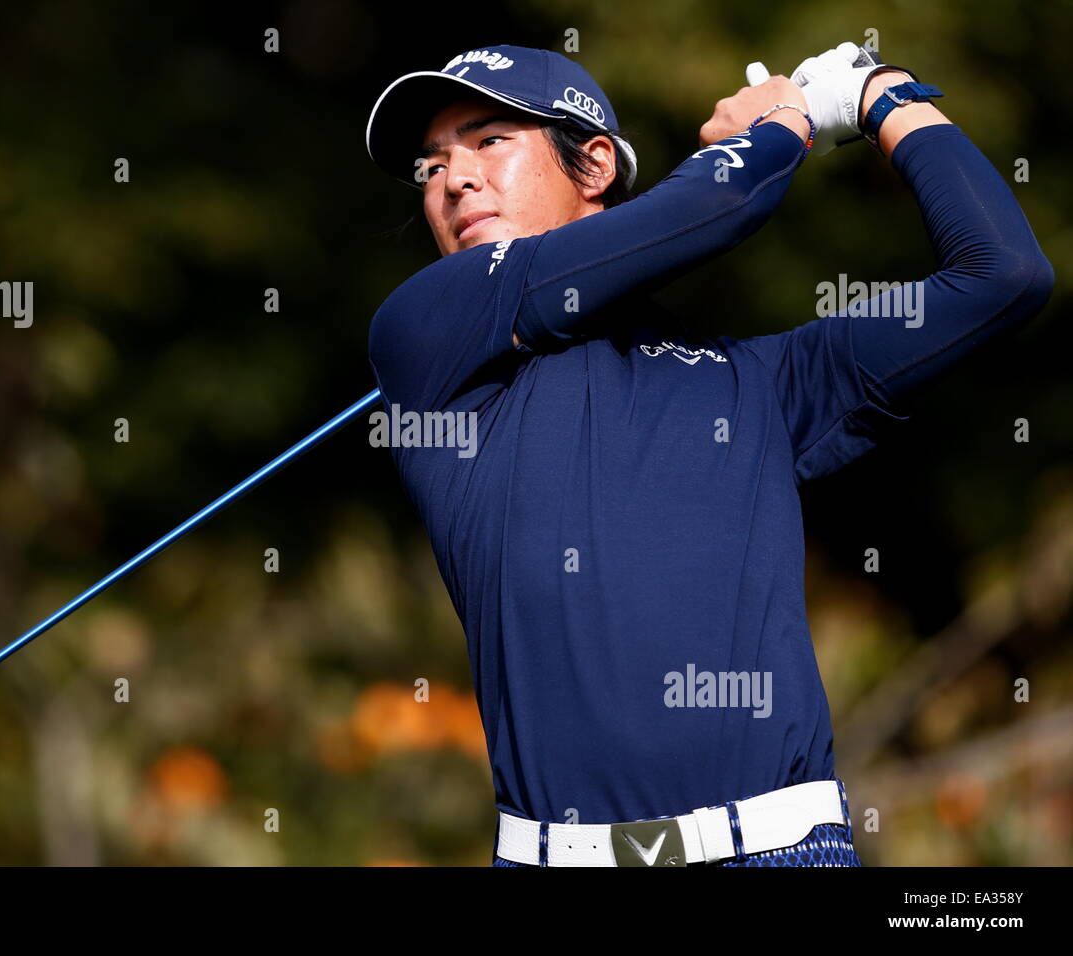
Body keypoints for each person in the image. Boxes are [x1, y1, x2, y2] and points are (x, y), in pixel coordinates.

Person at [363, 43, 1054, 867]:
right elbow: (720, 205)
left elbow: (1003, 275)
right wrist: (791, 117)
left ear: (592, 167)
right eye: (432, 164)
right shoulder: (422, 337)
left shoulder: (760, 385)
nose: (453, 178)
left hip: (782, 850)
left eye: (489, 141)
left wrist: (881, 96)